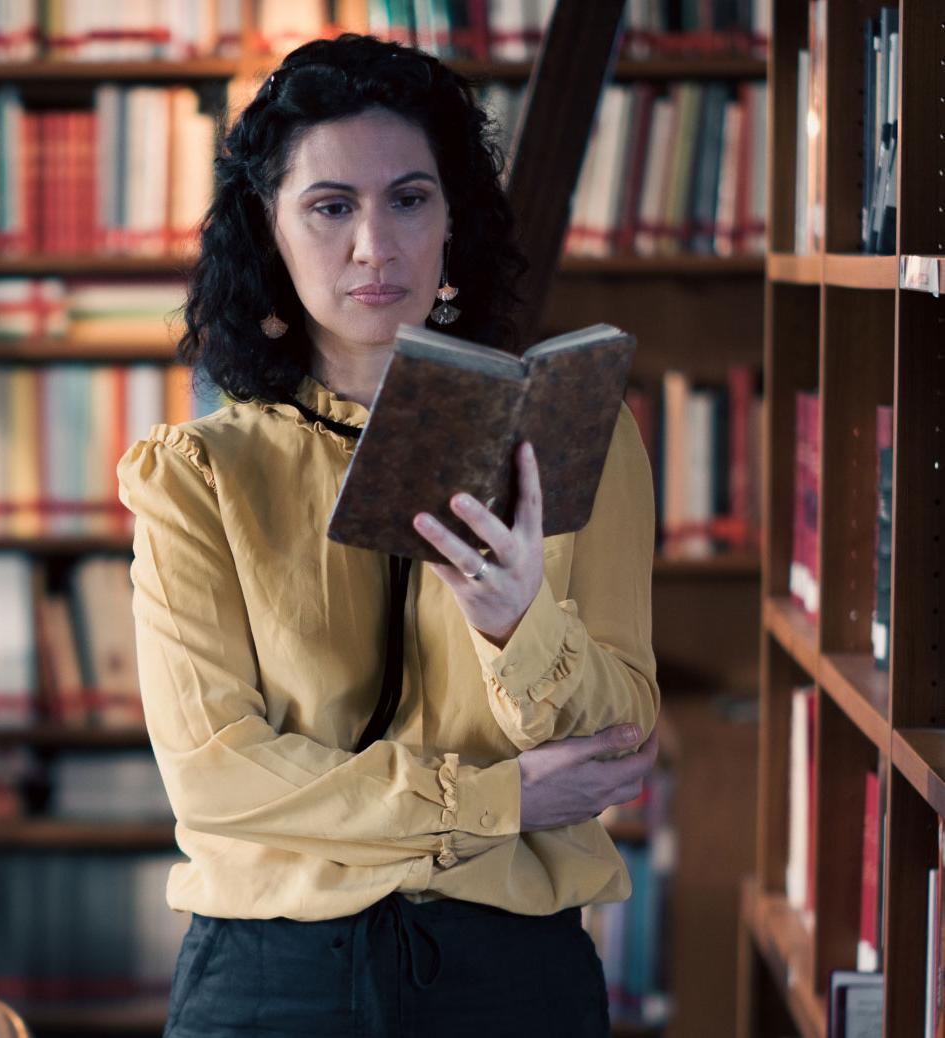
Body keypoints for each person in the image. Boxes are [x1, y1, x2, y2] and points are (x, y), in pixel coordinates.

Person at [115, 34, 662, 1038]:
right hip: (273, 979)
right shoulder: (198, 475)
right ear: (268, 232)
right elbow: (217, 781)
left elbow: (619, 736)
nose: (377, 246)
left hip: (512, 980)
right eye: (331, 208)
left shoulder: (576, 433)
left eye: (410, 199)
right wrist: (493, 803)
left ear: (453, 220)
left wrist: (517, 625)